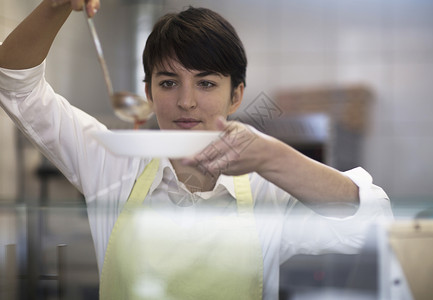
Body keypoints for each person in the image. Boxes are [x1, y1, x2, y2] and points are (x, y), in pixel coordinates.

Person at [0, 0, 393, 299]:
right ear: (148, 92)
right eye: (169, 83)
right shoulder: (113, 161)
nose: (186, 102)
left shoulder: (267, 185)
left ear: (236, 95)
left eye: (206, 83)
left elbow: (372, 221)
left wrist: (275, 156)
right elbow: (16, 84)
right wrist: (53, 6)